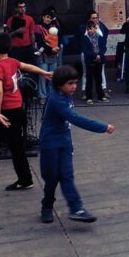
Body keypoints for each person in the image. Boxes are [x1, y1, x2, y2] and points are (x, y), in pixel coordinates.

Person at [0, 32, 53, 199]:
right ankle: (25, 179)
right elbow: (28, 66)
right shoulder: (12, 62)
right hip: (17, 108)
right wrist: (43, 73)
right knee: (17, 145)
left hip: (4, 111)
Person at [39, 65, 114, 224]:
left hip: (64, 142)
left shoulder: (64, 95)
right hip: (50, 144)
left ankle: (76, 208)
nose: (74, 87)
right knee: (52, 177)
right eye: (70, 83)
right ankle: (47, 205)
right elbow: (75, 118)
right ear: (60, 84)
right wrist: (102, 127)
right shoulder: (56, 99)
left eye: (75, 83)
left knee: (67, 175)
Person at [78, 11, 110, 99]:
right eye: (93, 18)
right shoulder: (84, 28)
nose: (95, 19)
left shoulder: (101, 26)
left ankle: (103, 90)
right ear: (89, 19)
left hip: (99, 54)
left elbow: (104, 39)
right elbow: (79, 39)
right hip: (87, 54)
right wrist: (83, 50)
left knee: (101, 72)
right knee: (86, 73)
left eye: (96, 18)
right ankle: (85, 92)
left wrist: (100, 53)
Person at [34, 9, 62, 101]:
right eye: (47, 17)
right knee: (43, 76)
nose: (48, 19)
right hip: (43, 54)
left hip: (53, 54)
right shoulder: (38, 27)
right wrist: (50, 49)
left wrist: (56, 48)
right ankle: (42, 96)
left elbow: (58, 38)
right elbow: (40, 42)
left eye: (50, 18)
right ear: (43, 17)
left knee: (52, 76)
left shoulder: (54, 27)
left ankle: (51, 96)